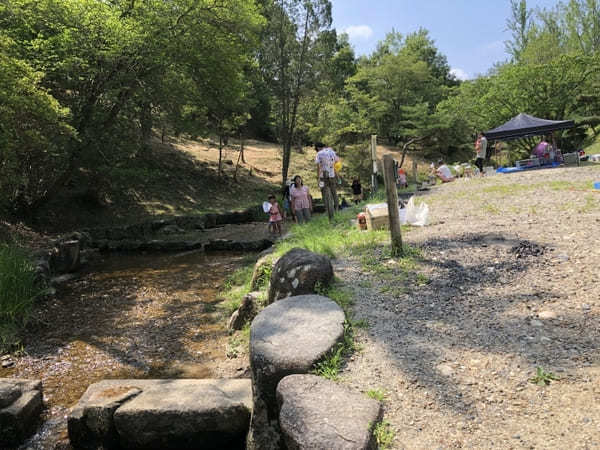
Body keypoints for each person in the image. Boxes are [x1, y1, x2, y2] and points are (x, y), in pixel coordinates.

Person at [315, 142, 339, 211]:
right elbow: (336, 162)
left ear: (318, 148)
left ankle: (327, 209)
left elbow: (318, 166)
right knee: (333, 191)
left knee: (324, 192)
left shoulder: (319, 154)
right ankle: (336, 208)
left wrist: (318, 177)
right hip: (332, 175)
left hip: (323, 176)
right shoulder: (331, 151)